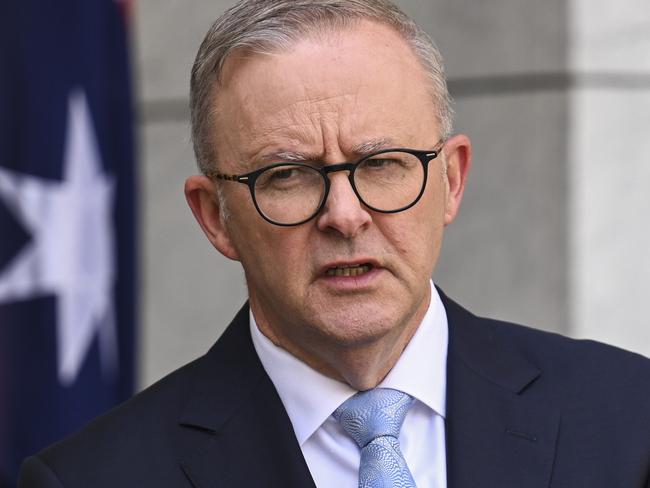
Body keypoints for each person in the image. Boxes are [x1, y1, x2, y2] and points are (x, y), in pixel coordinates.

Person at [19, 1, 650, 487]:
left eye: (383, 164)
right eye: (287, 175)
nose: (345, 216)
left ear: (451, 181)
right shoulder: (94, 479)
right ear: (215, 217)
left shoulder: (628, 419)